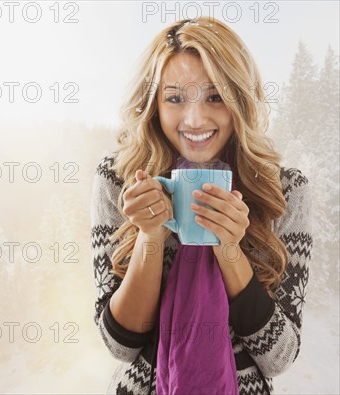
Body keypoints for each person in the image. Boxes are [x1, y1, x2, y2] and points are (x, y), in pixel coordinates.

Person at [91, 17, 312, 395]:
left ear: (240, 100)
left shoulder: (285, 191)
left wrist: (229, 250)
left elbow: (280, 358)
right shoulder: (120, 179)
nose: (194, 119)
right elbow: (121, 345)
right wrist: (150, 236)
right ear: (154, 104)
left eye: (215, 96)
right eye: (175, 98)